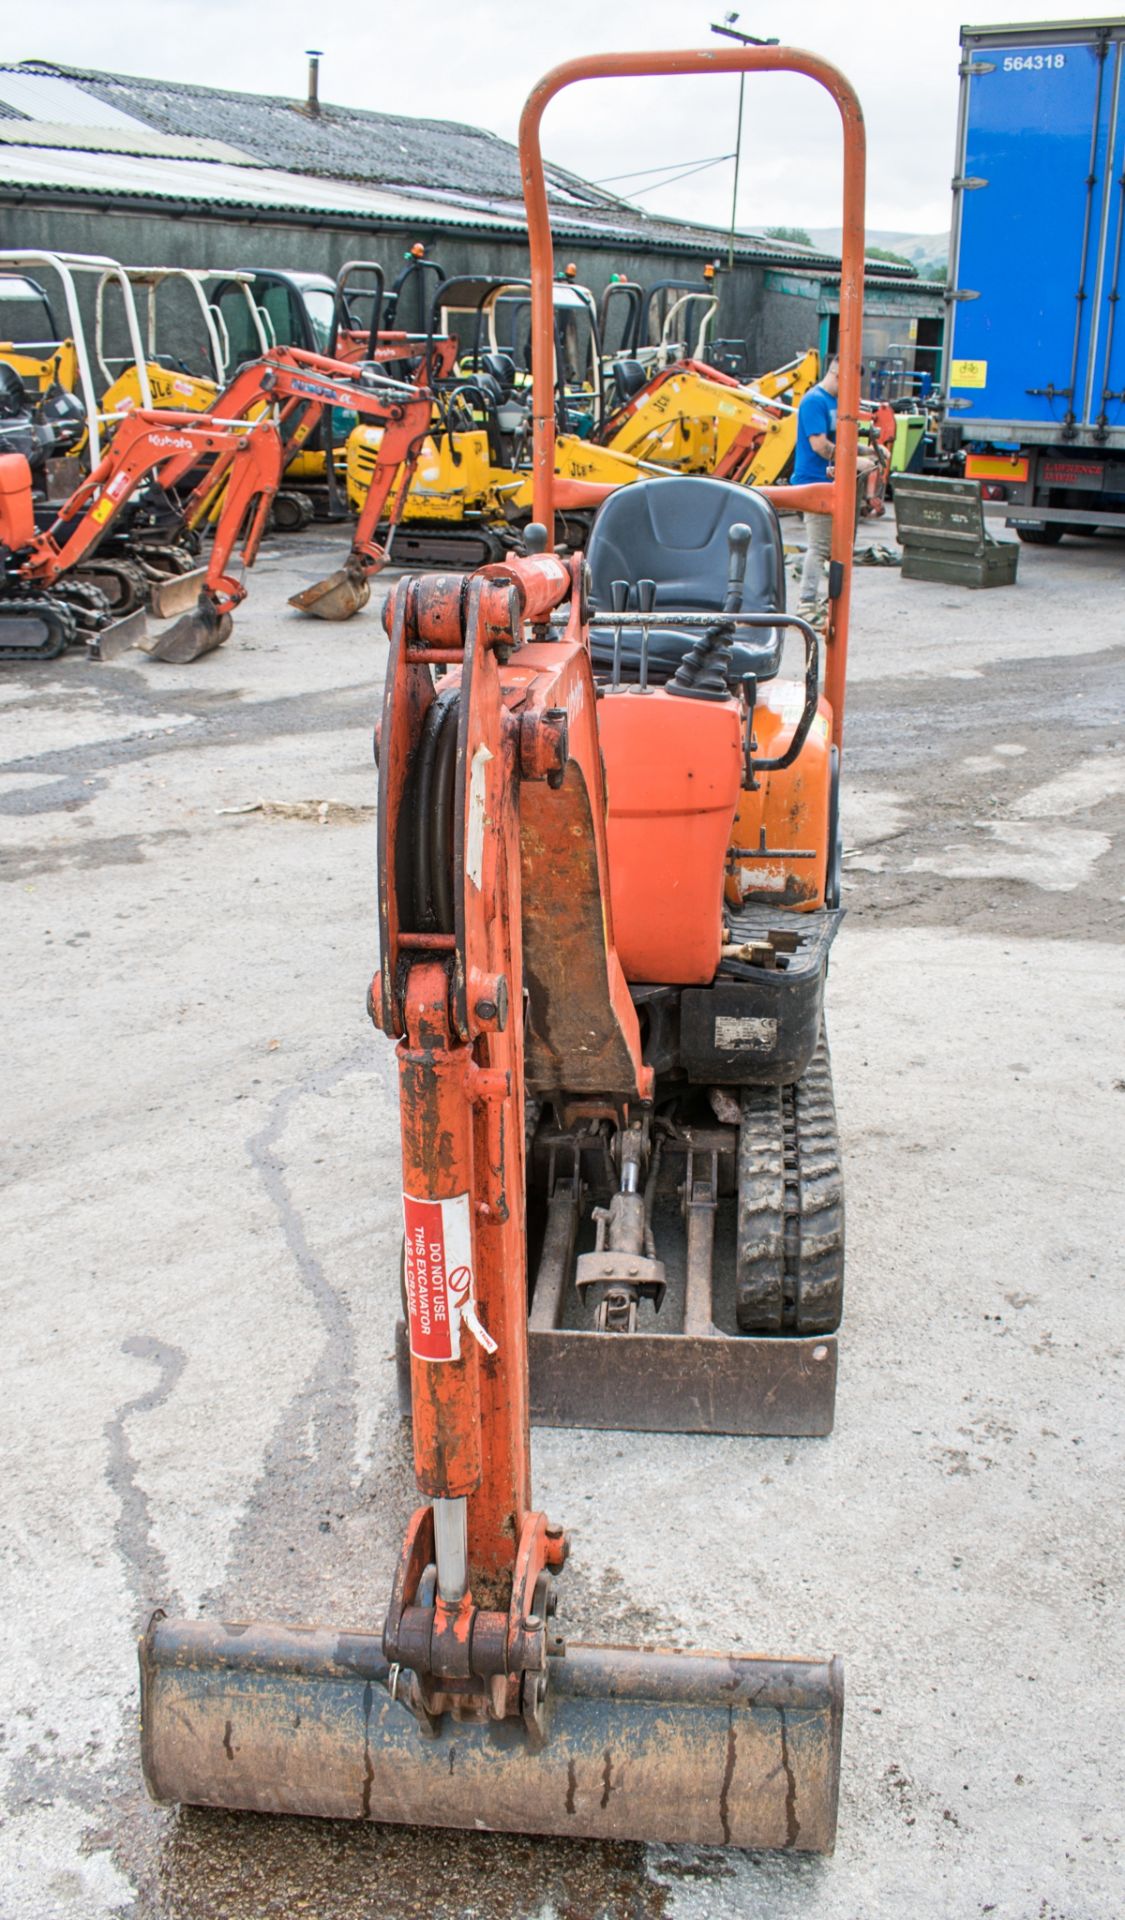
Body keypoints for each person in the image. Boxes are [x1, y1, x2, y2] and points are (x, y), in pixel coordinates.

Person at [792, 356, 840, 624]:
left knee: (834, 546)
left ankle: (823, 600)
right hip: (814, 482)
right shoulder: (815, 401)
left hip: (830, 481)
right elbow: (820, 446)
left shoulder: (834, 403)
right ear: (837, 373)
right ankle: (806, 604)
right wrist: (854, 459)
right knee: (820, 545)